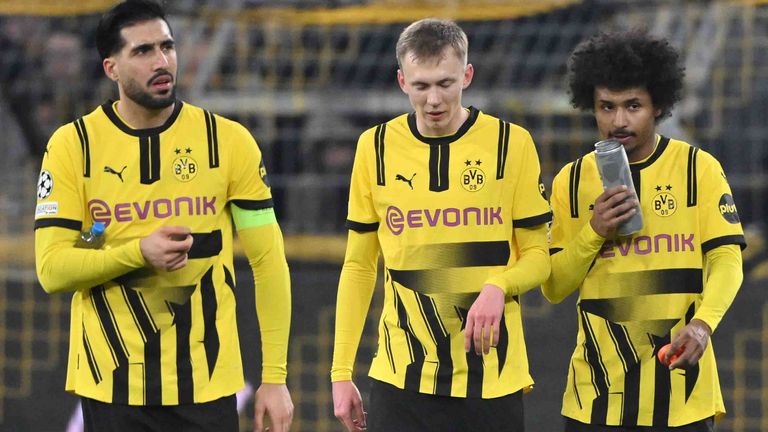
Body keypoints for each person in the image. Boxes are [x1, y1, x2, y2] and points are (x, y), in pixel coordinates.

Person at [33, 1, 293, 431]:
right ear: (111, 67)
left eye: (167, 47)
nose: (162, 61)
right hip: (111, 388)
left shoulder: (228, 143)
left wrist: (275, 377)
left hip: (207, 388)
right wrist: (136, 251)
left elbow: (268, 263)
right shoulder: (72, 147)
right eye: (143, 51)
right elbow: (53, 269)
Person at [331, 18, 551, 432]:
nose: (433, 99)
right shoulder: (373, 148)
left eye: (445, 84)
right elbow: (359, 266)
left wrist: (498, 287)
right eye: (421, 86)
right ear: (402, 81)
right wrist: (341, 372)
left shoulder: (512, 145)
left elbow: (539, 257)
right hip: (402, 380)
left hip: (492, 378)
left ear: (467, 75)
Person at [543, 30, 746, 431]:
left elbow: (726, 259)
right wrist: (594, 231)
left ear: (658, 107)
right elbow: (554, 287)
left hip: (681, 399)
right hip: (595, 400)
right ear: (592, 106)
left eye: (633, 105)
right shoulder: (571, 181)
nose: (619, 120)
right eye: (607, 107)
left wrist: (704, 324)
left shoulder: (698, 169)